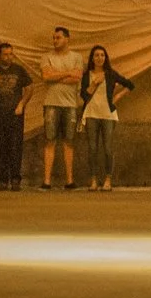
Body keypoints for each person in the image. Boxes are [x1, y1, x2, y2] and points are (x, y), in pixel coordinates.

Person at [79, 43, 135, 191]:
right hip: (91, 113)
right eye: (97, 55)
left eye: (102, 55)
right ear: (92, 58)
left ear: (106, 58)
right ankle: (93, 180)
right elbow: (83, 95)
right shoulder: (87, 75)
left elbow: (129, 84)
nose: (100, 58)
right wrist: (94, 83)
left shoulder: (110, 74)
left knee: (108, 148)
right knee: (92, 148)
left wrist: (117, 97)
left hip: (108, 114)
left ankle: (108, 179)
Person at [38, 25, 82, 189]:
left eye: (58, 37)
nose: (55, 40)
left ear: (67, 39)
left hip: (70, 104)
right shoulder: (46, 57)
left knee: (68, 141)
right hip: (51, 103)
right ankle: (46, 181)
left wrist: (56, 75)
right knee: (50, 140)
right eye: (54, 38)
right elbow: (46, 76)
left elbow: (76, 78)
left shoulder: (77, 57)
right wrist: (67, 73)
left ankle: (69, 181)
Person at [0, 42, 32, 190]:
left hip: (15, 113)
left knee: (15, 146)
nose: (8, 57)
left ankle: (15, 179)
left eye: (11, 54)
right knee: (0, 146)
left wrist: (22, 104)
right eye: (5, 54)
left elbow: (29, 88)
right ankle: (2, 180)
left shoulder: (19, 70)